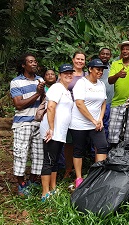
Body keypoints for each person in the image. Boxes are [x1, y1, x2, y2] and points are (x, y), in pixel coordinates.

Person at [69, 58, 108, 188]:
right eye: (98, 69)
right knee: (79, 150)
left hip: (97, 123)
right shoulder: (81, 83)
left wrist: (100, 119)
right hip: (79, 123)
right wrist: (93, 120)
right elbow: (79, 103)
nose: (100, 72)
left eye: (102, 70)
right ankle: (79, 178)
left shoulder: (101, 85)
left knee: (102, 146)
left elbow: (103, 103)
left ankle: (98, 175)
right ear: (90, 69)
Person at [10, 53, 45, 196]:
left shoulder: (40, 80)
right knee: (21, 153)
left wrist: (42, 93)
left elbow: (44, 101)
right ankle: (21, 185)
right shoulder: (16, 82)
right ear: (24, 65)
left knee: (38, 155)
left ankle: (32, 182)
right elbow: (18, 104)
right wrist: (37, 94)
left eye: (35, 61)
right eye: (30, 62)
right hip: (22, 124)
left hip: (39, 123)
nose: (34, 64)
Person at [39, 64, 74, 201]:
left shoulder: (65, 90)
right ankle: (44, 193)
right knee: (48, 160)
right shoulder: (56, 88)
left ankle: (53, 188)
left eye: (70, 73)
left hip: (60, 131)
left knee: (54, 160)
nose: (68, 75)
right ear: (60, 75)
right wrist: (51, 128)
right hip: (52, 130)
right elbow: (51, 107)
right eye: (65, 73)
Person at [63, 51, 87, 179]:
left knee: (80, 142)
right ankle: (68, 169)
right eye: (77, 59)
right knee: (69, 142)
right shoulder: (67, 74)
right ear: (73, 60)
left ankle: (81, 170)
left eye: (82, 59)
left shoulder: (87, 75)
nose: (79, 61)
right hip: (68, 110)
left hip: (82, 111)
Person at [108, 41, 129, 147]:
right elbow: (110, 80)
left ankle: (128, 158)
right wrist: (118, 75)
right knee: (113, 132)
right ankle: (114, 156)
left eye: (127, 49)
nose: (124, 51)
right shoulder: (116, 64)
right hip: (117, 101)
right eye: (123, 49)